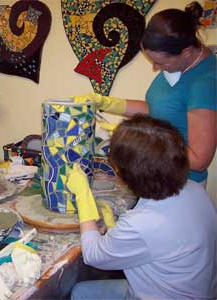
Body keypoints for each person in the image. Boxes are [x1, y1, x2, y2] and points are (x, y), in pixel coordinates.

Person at [67, 114, 217, 299]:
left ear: (131, 175)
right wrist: (117, 230)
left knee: (80, 293)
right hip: (194, 289)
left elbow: (92, 255)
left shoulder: (142, 223)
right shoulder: (195, 191)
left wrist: (83, 195)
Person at [75, 1, 216, 186]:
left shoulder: (205, 84)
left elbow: (199, 161)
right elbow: (157, 109)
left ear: (186, 52)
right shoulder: (178, 67)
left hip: (180, 184)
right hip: (155, 175)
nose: (155, 68)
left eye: (161, 63)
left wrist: (145, 142)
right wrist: (107, 103)